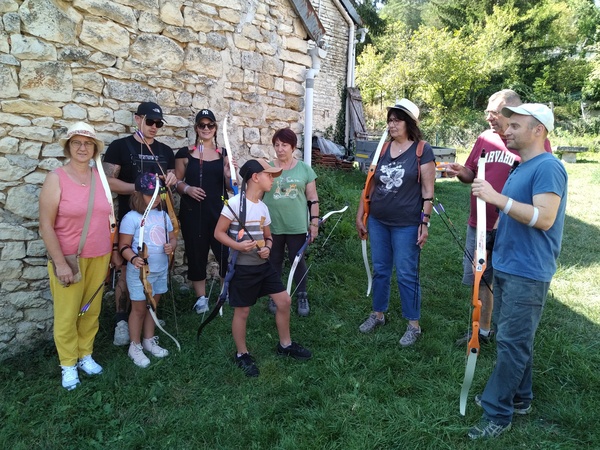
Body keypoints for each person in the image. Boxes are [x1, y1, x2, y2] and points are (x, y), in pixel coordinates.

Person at [467, 104, 567, 439]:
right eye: (506, 125)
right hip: (509, 265)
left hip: (529, 271)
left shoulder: (549, 168)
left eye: (515, 126)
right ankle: (521, 398)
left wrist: (496, 198)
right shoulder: (520, 167)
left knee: (512, 342)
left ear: (538, 130)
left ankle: (498, 412)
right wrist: (491, 245)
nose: (506, 130)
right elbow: (514, 216)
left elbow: (545, 218)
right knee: (516, 338)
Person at [446, 90, 553, 346]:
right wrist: (462, 172)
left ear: (511, 110)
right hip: (479, 223)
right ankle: (482, 331)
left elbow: (539, 187)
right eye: (487, 112)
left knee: (507, 282)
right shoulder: (485, 138)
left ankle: (508, 336)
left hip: (512, 225)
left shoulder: (528, 142)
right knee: (480, 278)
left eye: (494, 112)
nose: (489, 118)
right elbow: (473, 173)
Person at [214, 159, 312, 377]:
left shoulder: (263, 207)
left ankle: (285, 345)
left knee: (284, 300)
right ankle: (242, 354)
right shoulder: (233, 204)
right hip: (242, 267)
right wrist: (238, 245)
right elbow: (218, 233)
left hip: (263, 266)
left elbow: (268, 237)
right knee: (243, 311)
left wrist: (267, 247)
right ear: (255, 177)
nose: (273, 180)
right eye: (269, 175)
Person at [39, 122, 114, 390]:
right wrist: (60, 263)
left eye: (88, 143)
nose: (82, 148)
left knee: (91, 310)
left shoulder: (101, 178)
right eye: (76, 143)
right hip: (69, 258)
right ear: (68, 147)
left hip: (100, 255)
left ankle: (86, 355)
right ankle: (68, 364)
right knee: (67, 313)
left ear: (94, 148)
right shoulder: (56, 178)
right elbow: (45, 225)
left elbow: (108, 218)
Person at [355, 99, 436, 347]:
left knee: (406, 273)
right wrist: (361, 214)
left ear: (408, 122)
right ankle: (378, 314)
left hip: (407, 223)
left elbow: (428, 191)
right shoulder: (382, 149)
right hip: (379, 220)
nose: (391, 124)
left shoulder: (422, 150)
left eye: (396, 120)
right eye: (389, 120)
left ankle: (413, 325)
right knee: (380, 269)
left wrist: (424, 223)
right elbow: (370, 184)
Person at [103, 102, 177, 346]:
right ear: (137, 120)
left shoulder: (165, 151)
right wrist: (141, 188)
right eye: (150, 122)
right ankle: (122, 321)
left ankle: (149, 315)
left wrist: (174, 178)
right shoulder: (120, 146)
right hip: (130, 218)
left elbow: (172, 182)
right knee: (127, 270)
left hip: (158, 219)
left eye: (158, 123)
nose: (154, 127)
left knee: (156, 267)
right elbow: (108, 182)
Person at [174, 109, 232, 314]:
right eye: (202, 125)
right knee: (196, 254)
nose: (206, 129)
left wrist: (227, 175)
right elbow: (176, 182)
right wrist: (187, 189)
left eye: (210, 125)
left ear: (215, 128)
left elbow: (232, 187)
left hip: (219, 212)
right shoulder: (185, 154)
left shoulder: (223, 154)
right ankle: (201, 298)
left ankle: (224, 294)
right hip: (192, 212)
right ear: (196, 128)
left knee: (224, 253)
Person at [118, 173, 177, 368]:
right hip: (140, 272)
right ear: (138, 194)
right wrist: (134, 258)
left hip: (160, 269)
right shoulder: (132, 218)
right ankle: (134, 346)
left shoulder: (162, 215)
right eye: (150, 194)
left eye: (158, 194)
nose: (155, 198)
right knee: (139, 309)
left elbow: (172, 237)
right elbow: (124, 246)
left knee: (153, 306)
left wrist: (172, 246)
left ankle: (148, 340)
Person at [262, 128, 319, 317]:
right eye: (277, 145)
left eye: (284, 145)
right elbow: (257, 194)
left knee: (297, 260)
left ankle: (302, 295)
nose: (280, 149)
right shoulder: (268, 168)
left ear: (293, 147)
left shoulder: (304, 169)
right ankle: (275, 295)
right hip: (273, 226)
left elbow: (312, 198)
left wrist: (314, 224)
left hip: (296, 226)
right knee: (274, 260)